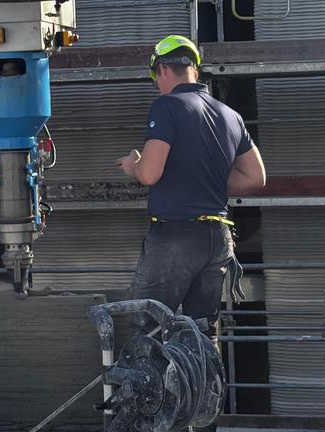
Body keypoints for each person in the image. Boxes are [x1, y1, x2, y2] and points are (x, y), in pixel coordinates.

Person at [116, 32, 265, 369]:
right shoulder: (229, 115)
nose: (157, 83)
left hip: (175, 237)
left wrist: (133, 165)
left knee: (148, 328)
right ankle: (204, 416)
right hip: (217, 238)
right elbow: (256, 177)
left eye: (155, 76)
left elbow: (150, 174)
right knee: (202, 332)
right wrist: (205, 174)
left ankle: (150, 417)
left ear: (163, 70)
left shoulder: (167, 107)